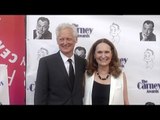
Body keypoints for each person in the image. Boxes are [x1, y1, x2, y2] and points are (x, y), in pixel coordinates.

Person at [34, 23, 86, 105]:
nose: (65, 43)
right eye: (61, 39)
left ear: (76, 39)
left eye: (68, 39)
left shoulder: (82, 62)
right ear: (57, 41)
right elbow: (40, 96)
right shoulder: (46, 63)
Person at [83, 38, 129, 105]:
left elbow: (126, 102)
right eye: (99, 52)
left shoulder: (121, 76)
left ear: (112, 54)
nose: (103, 56)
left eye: (106, 52)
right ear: (94, 55)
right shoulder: (86, 75)